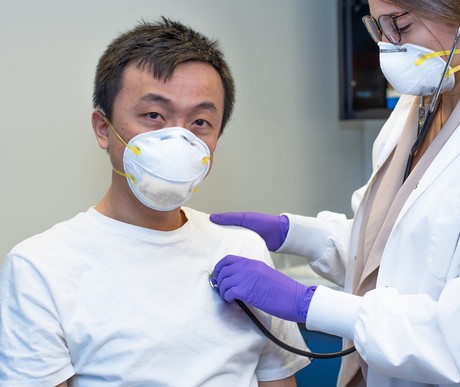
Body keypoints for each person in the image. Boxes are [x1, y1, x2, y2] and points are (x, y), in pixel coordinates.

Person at [209, 1, 460, 386]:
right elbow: (390, 246)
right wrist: (292, 234)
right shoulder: (415, 109)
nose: (387, 44)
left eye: (400, 25)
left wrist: (307, 304)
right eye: (378, 26)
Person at [0, 17, 310, 386]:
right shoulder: (41, 267)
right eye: (153, 115)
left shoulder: (242, 250)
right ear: (104, 128)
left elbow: (278, 380)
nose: (177, 138)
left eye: (199, 122)